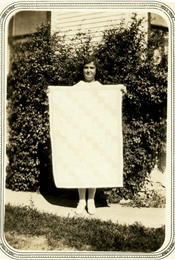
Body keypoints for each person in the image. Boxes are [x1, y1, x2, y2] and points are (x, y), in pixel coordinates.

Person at [74, 55, 101, 215]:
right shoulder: (78, 86)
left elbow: (108, 101)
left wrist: (120, 90)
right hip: (80, 131)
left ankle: (91, 201)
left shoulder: (99, 86)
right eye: (86, 67)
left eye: (92, 67)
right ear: (82, 70)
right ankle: (81, 200)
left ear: (96, 70)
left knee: (93, 165)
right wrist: (52, 92)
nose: (88, 70)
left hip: (95, 132)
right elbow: (65, 98)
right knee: (81, 164)